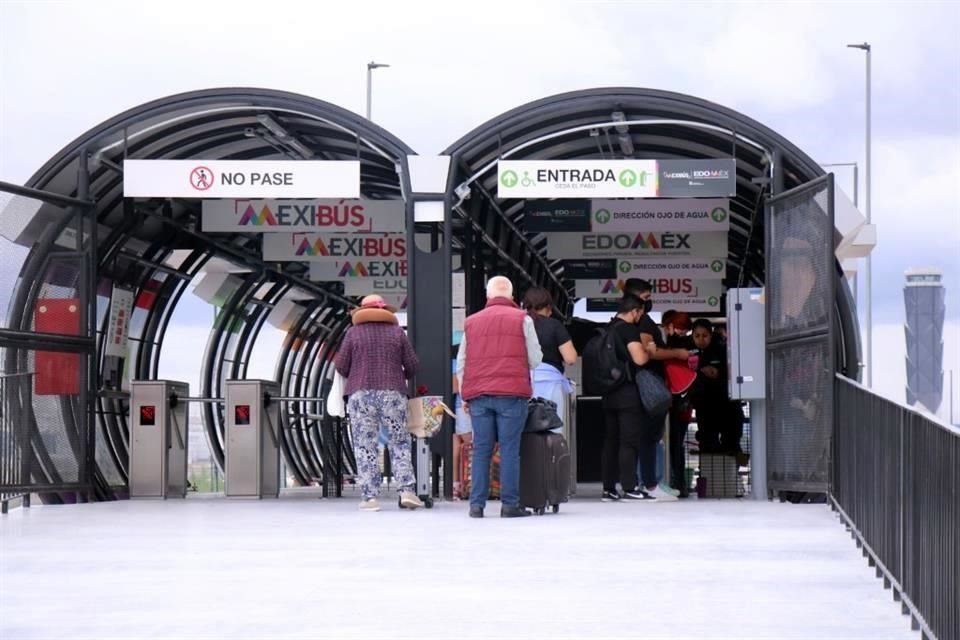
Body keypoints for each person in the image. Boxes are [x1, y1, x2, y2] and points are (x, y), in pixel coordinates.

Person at [457, 275, 542, 518]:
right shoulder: (522, 319)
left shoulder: (471, 322)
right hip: (512, 395)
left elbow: (462, 362)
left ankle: (476, 505)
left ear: (488, 297)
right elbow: (535, 359)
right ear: (512, 297)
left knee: (481, 448)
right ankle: (509, 505)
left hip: (479, 396)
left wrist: (466, 395)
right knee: (509, 450)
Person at [335, 295, 422, 512]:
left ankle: (370, 496)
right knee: (399, 442)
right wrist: (403, 375)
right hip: (393, 393)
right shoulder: (396, 332)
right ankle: (406, 491)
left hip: (361, 395)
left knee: (365, 446)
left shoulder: (353, 333)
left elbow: (341, 365)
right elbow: (412, 364)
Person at [600, 295, 668, 501]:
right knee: (629, 441)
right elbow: (639, 359)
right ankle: (629, 487)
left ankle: (609, 489)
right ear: (634, 312)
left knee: (611, 441)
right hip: (627, 393)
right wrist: (650, 350)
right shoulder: (628, 329)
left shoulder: (608, 328)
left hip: (609, 391)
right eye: (640, 313)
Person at [522, 286, 577, 428]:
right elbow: (570, 358)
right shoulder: (554, 325)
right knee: (552, 428)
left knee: (522, 429)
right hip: (550, 385)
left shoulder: (517, 324)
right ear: (547, 306)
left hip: (521, 384)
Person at [690, 318, 743, 455]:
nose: (701, 339)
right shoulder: (689, 353)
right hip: (705, 409)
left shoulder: (723, 350)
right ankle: (708, 476)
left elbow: (736, 371)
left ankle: (733, 474)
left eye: (705, 335)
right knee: (708, 446)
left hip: (727, 407)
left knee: (731, 445)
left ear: (711, 335)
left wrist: (719, 373)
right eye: (697, 336)